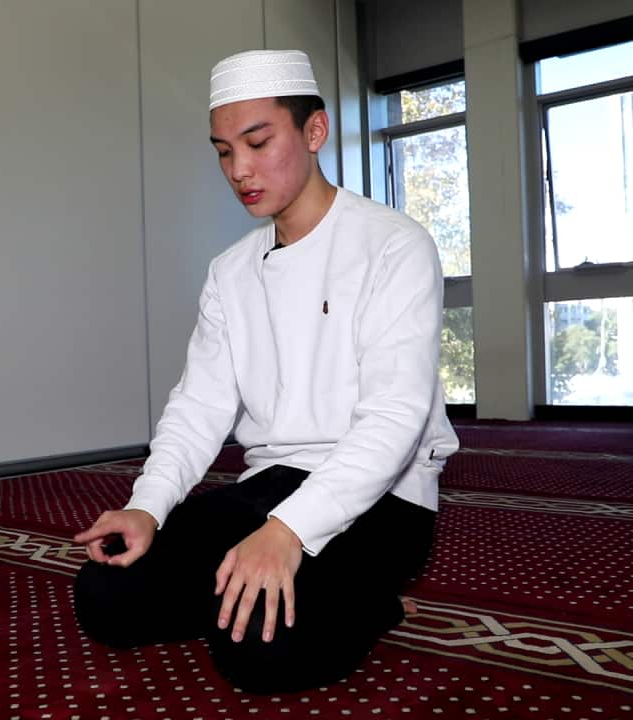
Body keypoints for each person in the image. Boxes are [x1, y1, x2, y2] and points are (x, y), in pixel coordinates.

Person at [73, 49, 459, 694]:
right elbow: (198, 406)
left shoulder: (394, 244)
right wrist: (147, 507)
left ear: (314, 132)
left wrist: (288, 533)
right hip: (271, 483)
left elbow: (395, 418)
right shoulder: (230, 271)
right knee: (107, 596)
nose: (239, 169)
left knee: (259, 656)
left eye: (257, 142)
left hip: (385, 496)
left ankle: (369, 600)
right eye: (224, 151)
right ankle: (269, 592)